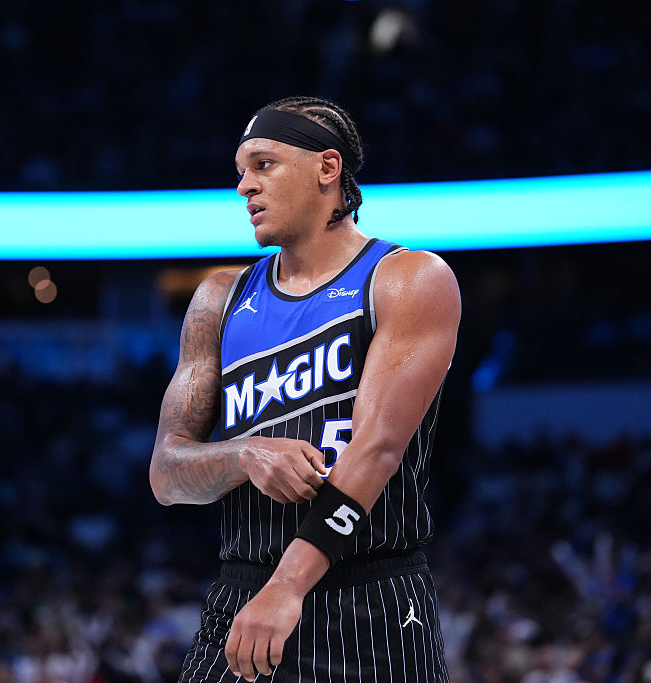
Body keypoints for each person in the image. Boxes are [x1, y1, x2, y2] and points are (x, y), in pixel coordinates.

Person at [149, 95, 460, 682]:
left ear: (327, 168)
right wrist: (246, 453)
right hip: (245, 590)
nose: (244, 186)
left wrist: (288, 586)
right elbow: (166, 474)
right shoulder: (219, 299)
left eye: (263, 164)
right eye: (240, 171)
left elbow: (377, 449)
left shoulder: (406, 278)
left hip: (373, 597)